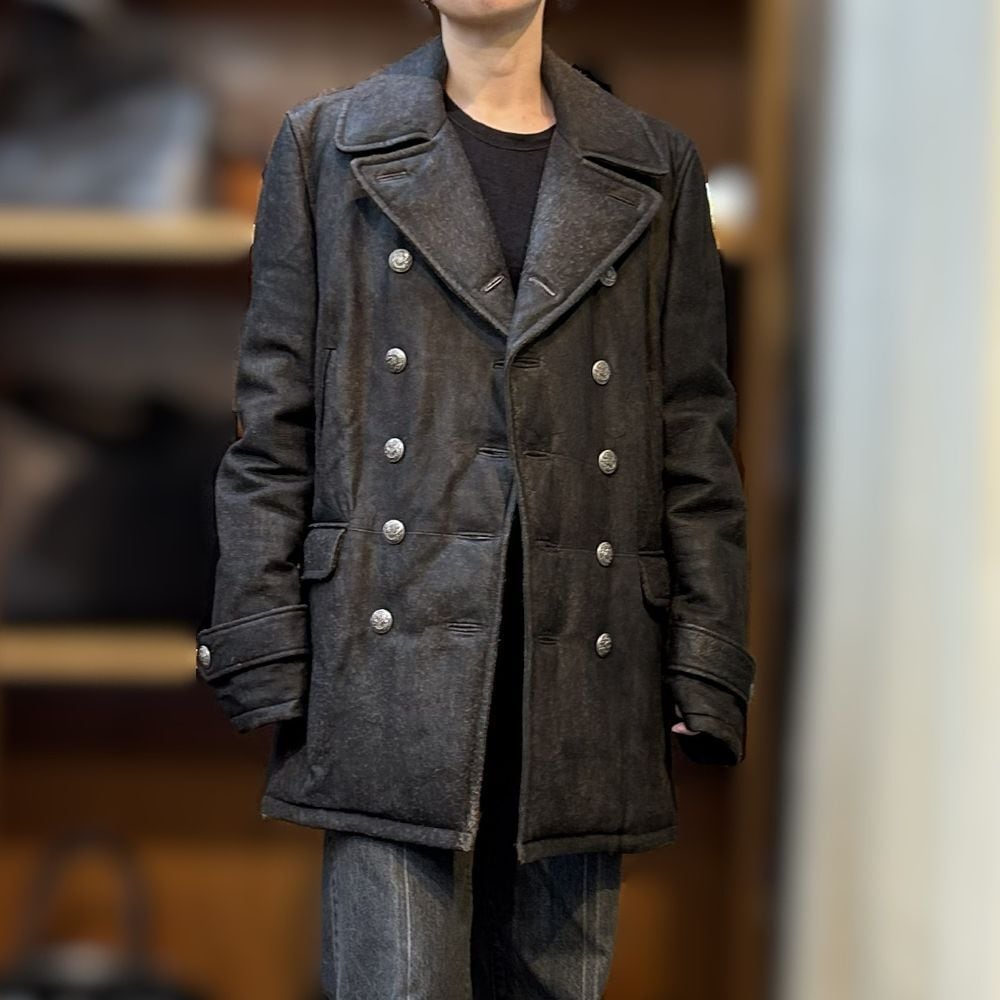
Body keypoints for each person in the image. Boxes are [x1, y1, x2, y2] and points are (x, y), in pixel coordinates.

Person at [196, 1, 756, 997]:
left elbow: (692, 436)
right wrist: (263, 640)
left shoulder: (653, 165)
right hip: (385, 655)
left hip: (584, 663)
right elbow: (274, 425)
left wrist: (704, 656)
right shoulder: (327, 145)